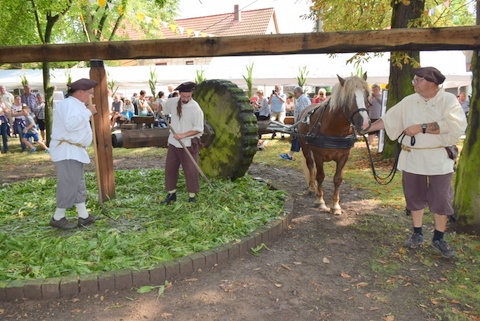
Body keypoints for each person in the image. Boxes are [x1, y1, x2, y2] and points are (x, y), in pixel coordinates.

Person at [366, 67, 467, 258]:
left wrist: (421, 128)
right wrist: (366, 128)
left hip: (439, 158)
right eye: (414, 80)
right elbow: (388, 120)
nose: (414, 83)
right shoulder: (409, 101)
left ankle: (439, 238)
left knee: (441, 199)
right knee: (414, 197)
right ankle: (417, 233)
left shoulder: (448, 101)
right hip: (412, 158)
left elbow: (456, 125)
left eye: (417, 80)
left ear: (430, 82)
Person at [49, 78, 100, 230]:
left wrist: (86, 111)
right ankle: (58, 217)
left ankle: (83, 215)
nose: (90, 96)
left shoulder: (75, 104)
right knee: (69, 183)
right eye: (90, 93)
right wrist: (88, 112)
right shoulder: (69, 104)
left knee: (78, 183)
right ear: (81, 92)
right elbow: (70, 125)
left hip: (74, 150)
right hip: (67, 150)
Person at [158, 81, 204, 204]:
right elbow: (164, 108)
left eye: (188, 96)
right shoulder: (173, 102)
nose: (186, 99)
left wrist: (183, 135)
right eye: (183, 96)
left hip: (188, 144)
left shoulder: (196, 108)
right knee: (170, 168)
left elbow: (199, 129)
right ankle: (171, 194)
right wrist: (158, 107)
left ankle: (192, 196)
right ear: (179, 94)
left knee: (190, 170)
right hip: (173, 143)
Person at [279, 87, 311, 160]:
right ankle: (291, 155)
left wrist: (299, 124)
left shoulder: (303, 99)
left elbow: (303, 112)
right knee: (298, 139)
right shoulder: (301, 100)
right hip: (300, 123)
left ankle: (290, 155)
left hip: (302, 123)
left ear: (300, 93)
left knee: (297, 138)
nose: (294, 95)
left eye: (295, 93)